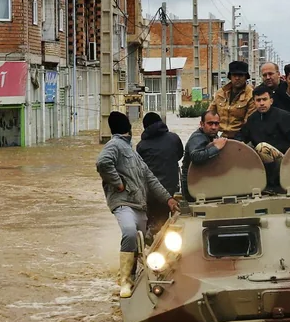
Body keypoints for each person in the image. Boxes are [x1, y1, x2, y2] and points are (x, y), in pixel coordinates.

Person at [97, 111, 179, 298]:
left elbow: (151, 179)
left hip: (139, 205)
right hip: (124, 202)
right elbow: (103, 162)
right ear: (129, 128)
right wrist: (118, 183)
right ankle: (125, 281)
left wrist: (168, 199)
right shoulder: (116, 144)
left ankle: (135, 276)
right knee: (129, 232)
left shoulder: (133, 152)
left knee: (140, 244)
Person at [240, 84, 290, 194]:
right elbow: (241, 136)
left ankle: (271, 185)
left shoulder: (284, 116)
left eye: (264, 99)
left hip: (286, 163)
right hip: (261, 164)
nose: (261, 103)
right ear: (254, 102)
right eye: (258, 100)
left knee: (262, 147)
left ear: (271, 101)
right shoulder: (252, 120)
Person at [137, 112, 185, 237]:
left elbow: (140, 169)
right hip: (172, 191)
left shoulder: (141, 146)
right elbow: (180, 155)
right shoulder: (174, 138)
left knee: (152, 222)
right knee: (170, 223)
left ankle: (149, 238)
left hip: (151, 193)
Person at [182, 109, 229, 200]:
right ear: (202, 124)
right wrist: (216, 148)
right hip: (193, 186)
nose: (214, 127)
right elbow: (196, 156)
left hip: (205, 182)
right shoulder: (197, 137)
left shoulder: (212, 136)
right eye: (210, 124)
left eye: (216, 124)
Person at [209, 60, 254, 139]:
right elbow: (210, 114)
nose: (237, 78)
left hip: (240, 137)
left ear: (246, 77)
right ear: (230, 77)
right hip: (218, 135)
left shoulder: (251, 95)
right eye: (234, 75)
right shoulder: (220, 93)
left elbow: (249, 122)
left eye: (240, 75)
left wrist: (239, 138)